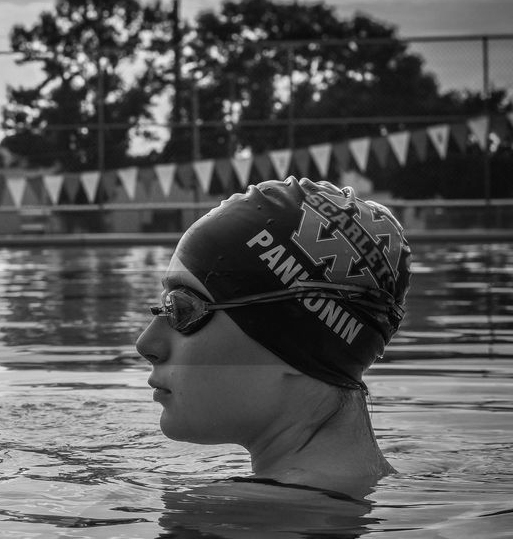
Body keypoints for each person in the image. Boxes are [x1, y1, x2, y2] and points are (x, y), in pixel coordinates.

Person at [135, 176, 410, 498]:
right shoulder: (393, 498)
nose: (146, 344)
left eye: (183, 309)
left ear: (303, 343)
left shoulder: (233, 519)